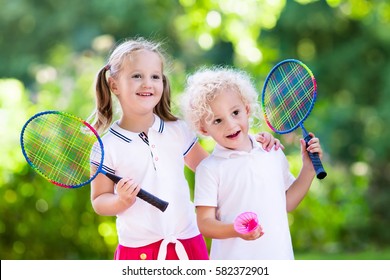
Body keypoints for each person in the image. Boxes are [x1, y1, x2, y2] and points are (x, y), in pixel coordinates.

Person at [88, 37, 281, 260]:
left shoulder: (177, 129)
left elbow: (214, 166)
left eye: (155, 76)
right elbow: (99, 200)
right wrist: (120, 201)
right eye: (137, 76)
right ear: (114, 85)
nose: (147, 83)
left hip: (189, 244)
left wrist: (254, 142)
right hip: (138, 251)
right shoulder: (106, 146)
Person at [180, 66, 323, 260]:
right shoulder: (210, 169)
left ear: (247, 109)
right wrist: (236, 230)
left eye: (235, 113)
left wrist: (308, 169)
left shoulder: (270, 151)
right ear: (203, 129)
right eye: (217, 121)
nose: (230, 124)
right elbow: (205, 223)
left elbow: (287, 203)